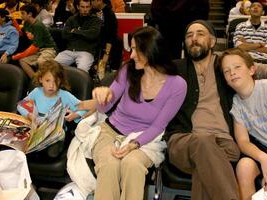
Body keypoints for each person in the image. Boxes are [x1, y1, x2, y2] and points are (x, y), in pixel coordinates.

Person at [164, 20, 267, 200]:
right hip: (184, 140)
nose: (194, 38)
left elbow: (256, 68)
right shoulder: (175, 69)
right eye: (189, 35)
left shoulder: (225, 66)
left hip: (224, 145)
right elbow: (146, 73)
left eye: (200, 34)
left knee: (206, 169)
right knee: (204, 143)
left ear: (213, 42)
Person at [78, 26, 187, 200]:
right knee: (109, 164)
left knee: (133, 164)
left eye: (137, 49)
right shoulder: (128, 71)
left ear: (152, 50)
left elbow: (159, 126)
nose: (132, 55)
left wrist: (134, 144)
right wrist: (101, 96)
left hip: (146, 139)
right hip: (110, 132)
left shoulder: (177, 85)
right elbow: (105, 107)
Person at [220, 47, 267, 199]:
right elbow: (243, 142)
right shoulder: (236, 104)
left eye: (237, 67)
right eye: (227, 71)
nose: (232, 72)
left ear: (252, 70)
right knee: (244, 166)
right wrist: (264, 158)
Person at [17, 60, 86, 157]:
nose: (51, 85)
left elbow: (85, 108)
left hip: (55, 134)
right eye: (47, 80)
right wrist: (29, 115)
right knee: (21, 145)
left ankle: (51, 147)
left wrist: (75, 115)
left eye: (56, 81)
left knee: (52, 153)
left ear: (60, 81)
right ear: (41, 79)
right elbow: (21, 105)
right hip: (37, 130)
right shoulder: (36, 92)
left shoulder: (65, 95)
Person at [54, 0, 102, 73]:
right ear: (78, 7)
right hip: (70, 51)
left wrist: (76, 31)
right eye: (82, 7)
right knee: (53, 66)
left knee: (81, 71)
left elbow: (92, 35)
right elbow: (65, 35)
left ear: (90, 7)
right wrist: (84, 33)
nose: (85, 10)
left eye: (87, 7)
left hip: (86, 52)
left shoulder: (96, 20)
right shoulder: (71, 19)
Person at [12, 4, 56, 78]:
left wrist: (19, 55)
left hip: (49, 49)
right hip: (38, 50)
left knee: (41, 61)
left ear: (30, 14)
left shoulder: (38, 25)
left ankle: (45, 81)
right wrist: (14, 21)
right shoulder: (26, 23)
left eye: (23, 13)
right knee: (22, 61)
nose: (21, 16)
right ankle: (35, 81)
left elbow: (35, 46)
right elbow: (21, 34)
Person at [90, 0, 118, 78]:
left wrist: (106, 55)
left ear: (100, 1)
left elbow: (111, 36)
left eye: (93, 0)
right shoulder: (92, 12)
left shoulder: (110, 14)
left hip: (105, 45)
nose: (91, 2)